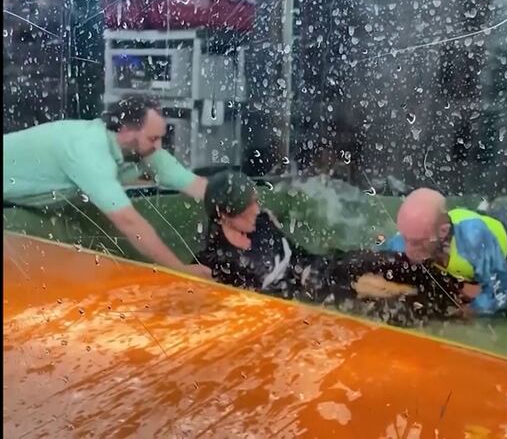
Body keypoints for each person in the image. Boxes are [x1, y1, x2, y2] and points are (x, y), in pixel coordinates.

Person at [195, 171, 465, 327]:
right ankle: (450, 318)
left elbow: (296, 246)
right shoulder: (217, 260)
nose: (257, 209)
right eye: (247, 206)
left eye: (255, 201)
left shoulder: (262, 220)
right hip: (301, 298)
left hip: (316, 267)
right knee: (383, 303)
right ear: (224, 215)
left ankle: (457, 289)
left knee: (380, 261)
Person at [3, 95, 211, 278]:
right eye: (153, 138)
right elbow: (128, 221)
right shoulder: (87, 148)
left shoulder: (143, 150)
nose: (158, 147)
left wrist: (228, 205)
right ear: (125, 131)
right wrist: (178, 269)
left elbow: (196, 185)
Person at [381, 187, 507, 316]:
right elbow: (378, 264)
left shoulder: (474, 241)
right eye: (405, 238)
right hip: (460, 229)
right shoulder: (404, 241)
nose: (408, 249)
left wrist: (471, 312)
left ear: (443, 232)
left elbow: (501, 292)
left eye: (417, 242)